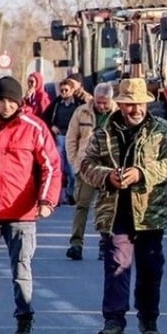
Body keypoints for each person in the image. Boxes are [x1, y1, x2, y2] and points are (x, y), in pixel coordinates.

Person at [79, 78, 167, 334]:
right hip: (115, 212)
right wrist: (107, 176)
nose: (134, 110)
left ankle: (148, 318)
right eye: (129, 105)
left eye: (139, 104)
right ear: (121, 105)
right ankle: (114, 321)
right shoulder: (104, 132)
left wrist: (142, 173)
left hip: (151, 213)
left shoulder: (162, 130)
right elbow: (86, 165)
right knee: (117, 264)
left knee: (150, 269)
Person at [0, 76, 61, 334]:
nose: (6, 106)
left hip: (21, 212)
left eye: (11, 101)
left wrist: (46, 201)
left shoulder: (34, 128)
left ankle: (24, 320)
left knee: (21, 269)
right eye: (1, 100)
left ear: (19, 101)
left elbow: (51, 167)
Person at [65, 83, 116, 261]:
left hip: (109, 168)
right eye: (98, 102)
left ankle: (105, 243)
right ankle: (76, 244)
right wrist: (75, 164)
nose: (101, 106)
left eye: (105, 103)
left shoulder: (118, 114)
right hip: (86, 166)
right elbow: (71, 138)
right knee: (82, 205)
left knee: (107, 207)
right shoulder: (81, 112)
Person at [44, 78, 87, 204]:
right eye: (61, 90)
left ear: (72, 90)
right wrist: (52, 126)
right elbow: (45, 117)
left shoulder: (78, 104)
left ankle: (71, 194)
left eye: (66, 90)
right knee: (59, 168)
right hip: (60, 138)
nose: (63, 92)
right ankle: (58, 197)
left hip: (73, 139)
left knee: (72, 168)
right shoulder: (57, 103)